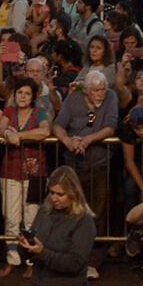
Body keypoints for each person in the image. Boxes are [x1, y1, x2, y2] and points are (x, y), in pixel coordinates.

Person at [52, 71, 119, 270]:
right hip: (74, 164)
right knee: (72, 209)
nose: (100, 94)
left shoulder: (111, 97)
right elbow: (58, 125)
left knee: (98, 211)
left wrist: (88, 140)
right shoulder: (74, 99)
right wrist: (67, 141)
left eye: (102, 90)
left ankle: (93, 261)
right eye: (96, 91)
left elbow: (110, 127)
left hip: (99, 163)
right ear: (86, 91)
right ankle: (70, 256)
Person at [0, 78, 54, 274]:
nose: (23, 96)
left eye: (27, 93)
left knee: (32, 218)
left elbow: (45, 131)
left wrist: (18, 136)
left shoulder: (40, 113)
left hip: (35, 172)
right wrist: (7, 133)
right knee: (11, 217)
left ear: (33, 97)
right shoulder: (9, 111)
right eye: (20, 92)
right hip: (10, 170)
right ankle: (12, 259)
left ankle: (32, 261)